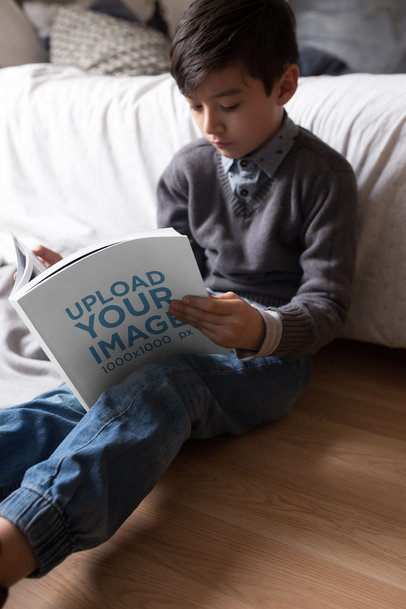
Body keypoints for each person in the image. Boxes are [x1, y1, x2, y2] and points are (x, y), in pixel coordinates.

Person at [0, 0, 358, 604]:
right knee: (79, 395)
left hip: (266, 357)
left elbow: (327, 303)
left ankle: (16, 543)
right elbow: (167, 267)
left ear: (286, 84)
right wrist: (84, 275)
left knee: (165, 386)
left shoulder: (324, 177)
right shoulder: (187, 169)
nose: (209, 126)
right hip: (178, 329)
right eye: (194, 106)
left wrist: (261, 329)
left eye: (230, 104)